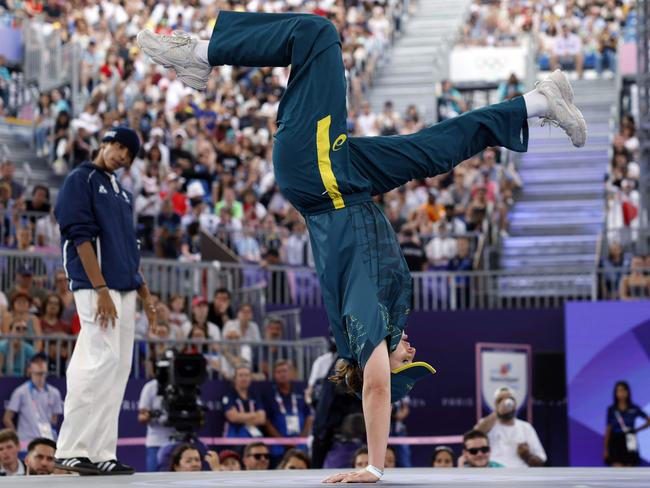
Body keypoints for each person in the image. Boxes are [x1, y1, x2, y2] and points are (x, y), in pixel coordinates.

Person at [139, 12, 586, 482]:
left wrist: (374, 465)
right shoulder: (377, 319)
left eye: (406, 362)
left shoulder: (365, 328)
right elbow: (376, 379)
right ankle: (537, 102)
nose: (412, 351)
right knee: (433, 150)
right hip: (345, 182)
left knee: (317, 33)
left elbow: (375, 389)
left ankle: (198, 55)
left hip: (320, 177)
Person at [52, 126, 157, 475]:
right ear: (106, 142)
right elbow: (79, 236)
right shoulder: (79, 180)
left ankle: (100, 452)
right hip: (97, 287)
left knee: (117, 369)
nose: (123, 155)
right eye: (120, 147)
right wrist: (100, 291)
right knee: (95, 361)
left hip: (125, 287)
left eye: (130, 153)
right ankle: (70, 448)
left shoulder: (122, 193)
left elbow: (129, 249)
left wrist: (145, 294)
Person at [475, 387, 547, 467]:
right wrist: (498, 412)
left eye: (510, 399)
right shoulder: (487, 424)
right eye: (500, 400)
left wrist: (527, 455)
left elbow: (541, 460)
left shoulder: (526, 427)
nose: (506, 403)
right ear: (495, 405)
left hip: (520, 474)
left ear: (515, 404)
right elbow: (475, 435)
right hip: (495, 474)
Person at [3, 353, 63, 446]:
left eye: (43, 361)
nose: (40, 364)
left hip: (46, 441)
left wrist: (51, 437)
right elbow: (7, 418)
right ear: (30, 369)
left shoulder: (54, 393)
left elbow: (54, 420)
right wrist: (16, 438)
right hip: (26, 442)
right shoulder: (21, 392)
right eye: (36, 362)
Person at [264, 360, 313, 461]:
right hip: (279, 447)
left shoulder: (300, 391)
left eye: (284, 371)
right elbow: (267, 422)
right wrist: (283, 441)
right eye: (279, 372)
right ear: (274, 375)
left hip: (300, 445)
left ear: (290, 373)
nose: (282, 374)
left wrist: (301, 438)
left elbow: (309, 417)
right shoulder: (269, 394)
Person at [604, 381, 650, 467]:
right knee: (618, 470)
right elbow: (608, 429)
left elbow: (648, 420)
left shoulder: (634, 408)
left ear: (628, 392)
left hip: (630, 438)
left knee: (630, 468)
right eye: (618, 391)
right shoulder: (612, 409)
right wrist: (606, 449)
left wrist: (637, 430)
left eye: (623, 390)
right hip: (616, 439)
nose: (621, 393)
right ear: (615, 393)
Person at [137, 377, 177, 472]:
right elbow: (141, 416)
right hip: (156, 443)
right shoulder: (150, 387)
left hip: (181, 441)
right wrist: (150, 415)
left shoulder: (185, 384)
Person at [222, 364, 266, 439]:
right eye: (241, 375)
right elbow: (233, 417)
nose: (244, 378)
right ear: (235, 378)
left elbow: (262, 419)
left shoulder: (255, 395)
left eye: (246, 375)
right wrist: (255, 414)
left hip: (254, 435)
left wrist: (240, 417)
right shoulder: (229, 395)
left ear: (251, 378)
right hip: (234, 436)